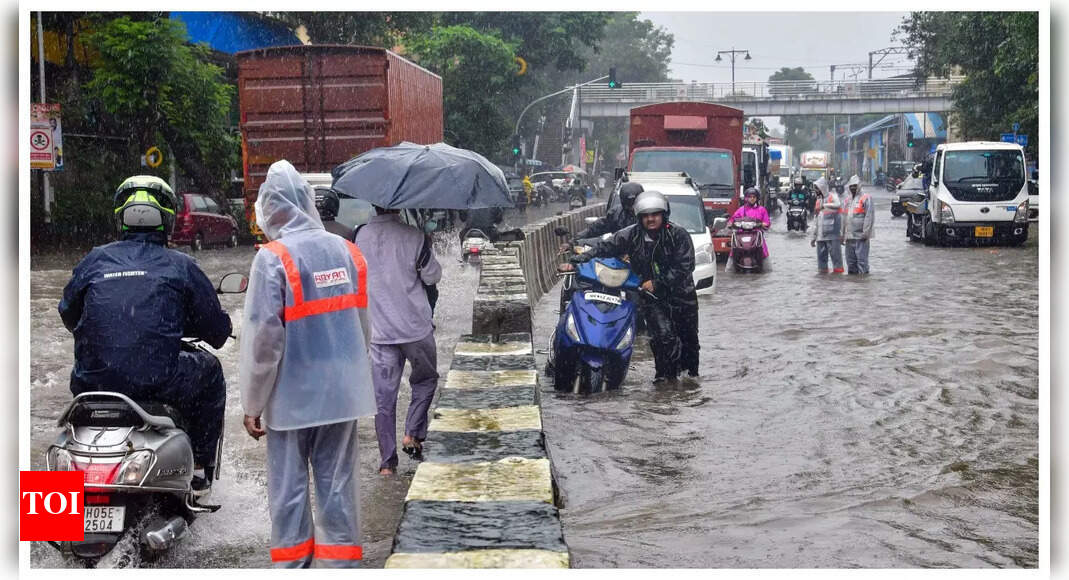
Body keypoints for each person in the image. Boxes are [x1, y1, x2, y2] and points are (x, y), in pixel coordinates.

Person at [238, 160, 375, 568]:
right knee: (338, 488)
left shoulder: (272, 259)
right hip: (342, 393)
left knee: (290, 491)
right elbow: (360, 327)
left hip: (292, 395)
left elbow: (264, 341)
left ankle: (294, 567)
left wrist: (252, 403)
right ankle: (341, 567)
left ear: (271, 210)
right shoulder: (348, 251)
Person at [59, 175, 232, 494]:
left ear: (120, 218)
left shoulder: (94, 259)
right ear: (166, 220)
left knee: (62, 436)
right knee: (212, 370)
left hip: (89, 383)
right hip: (158, 381)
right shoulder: (181, 264)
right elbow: (217, 333)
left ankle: (48, 515)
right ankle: (199, 471)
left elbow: (68, 313)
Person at [566, 191, 698, 382]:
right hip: (652, 298)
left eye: (655, 215)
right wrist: (582, 257)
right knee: (662, 337)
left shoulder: (678, 235)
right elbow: (606, 246)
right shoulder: (631, 235)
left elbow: (685, 266)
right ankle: (665, 381)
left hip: (681, 295)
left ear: (663, 214)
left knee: (689, 341)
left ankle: (690, 379)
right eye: (645, 216)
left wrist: (658, 282)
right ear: (639, 217)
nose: (650, 219)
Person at [354, 207, 443, 475]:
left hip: (380, 332)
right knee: (426, 380)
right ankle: (412, 433)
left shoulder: (359, 237)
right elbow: (432, 276)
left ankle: (387, 464)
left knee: (383, 399)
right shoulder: (414, 236)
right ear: (397, 204)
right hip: (415, 328)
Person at [571, 182, 644, 242]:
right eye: (629, 205)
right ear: (623, 203)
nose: (632, 209)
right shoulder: (616, 214)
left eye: (634, 204)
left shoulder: (650, 214)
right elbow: (598, 227)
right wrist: (575, 240)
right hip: (621, 254)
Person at [808, 177, 844, 274]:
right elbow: (816, 221)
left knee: (837, 261)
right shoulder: (818, 200)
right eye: (815, 188)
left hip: (833, 236)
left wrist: (825, 206)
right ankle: (823, 281)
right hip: (820, 237)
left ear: (822, 188)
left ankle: (837, 280)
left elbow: (838, 205)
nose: (816, 191)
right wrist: (813, 237)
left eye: (817, 188)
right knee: (821, 264)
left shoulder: (833, 196)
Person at [841, 174, 874, 275]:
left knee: (862, 261)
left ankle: (863, 282)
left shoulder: (866, 198)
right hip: (849, 237)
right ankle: (853, 285)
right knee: (850, 262)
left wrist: (866, 233)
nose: (853, 188)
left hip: (861, 237)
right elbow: (843, 218)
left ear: (859, 186)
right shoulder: (847, 200)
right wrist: (842, 235)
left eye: (855, 186)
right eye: (851, 186)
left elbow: (869, 217)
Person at [727, 187, 771, 261]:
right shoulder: (741, 209)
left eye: (754, 197)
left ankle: (765, 265)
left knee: (764, 252)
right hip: (741, 235)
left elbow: (767, 223)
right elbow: (733, 219)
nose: (752, 199)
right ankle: (731, 266)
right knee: (733, 251)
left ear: (757, 198)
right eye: (750, 197)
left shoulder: (762, 210)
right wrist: (730, 223)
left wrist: (762, 224)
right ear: (746, 198)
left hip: (757, 235)